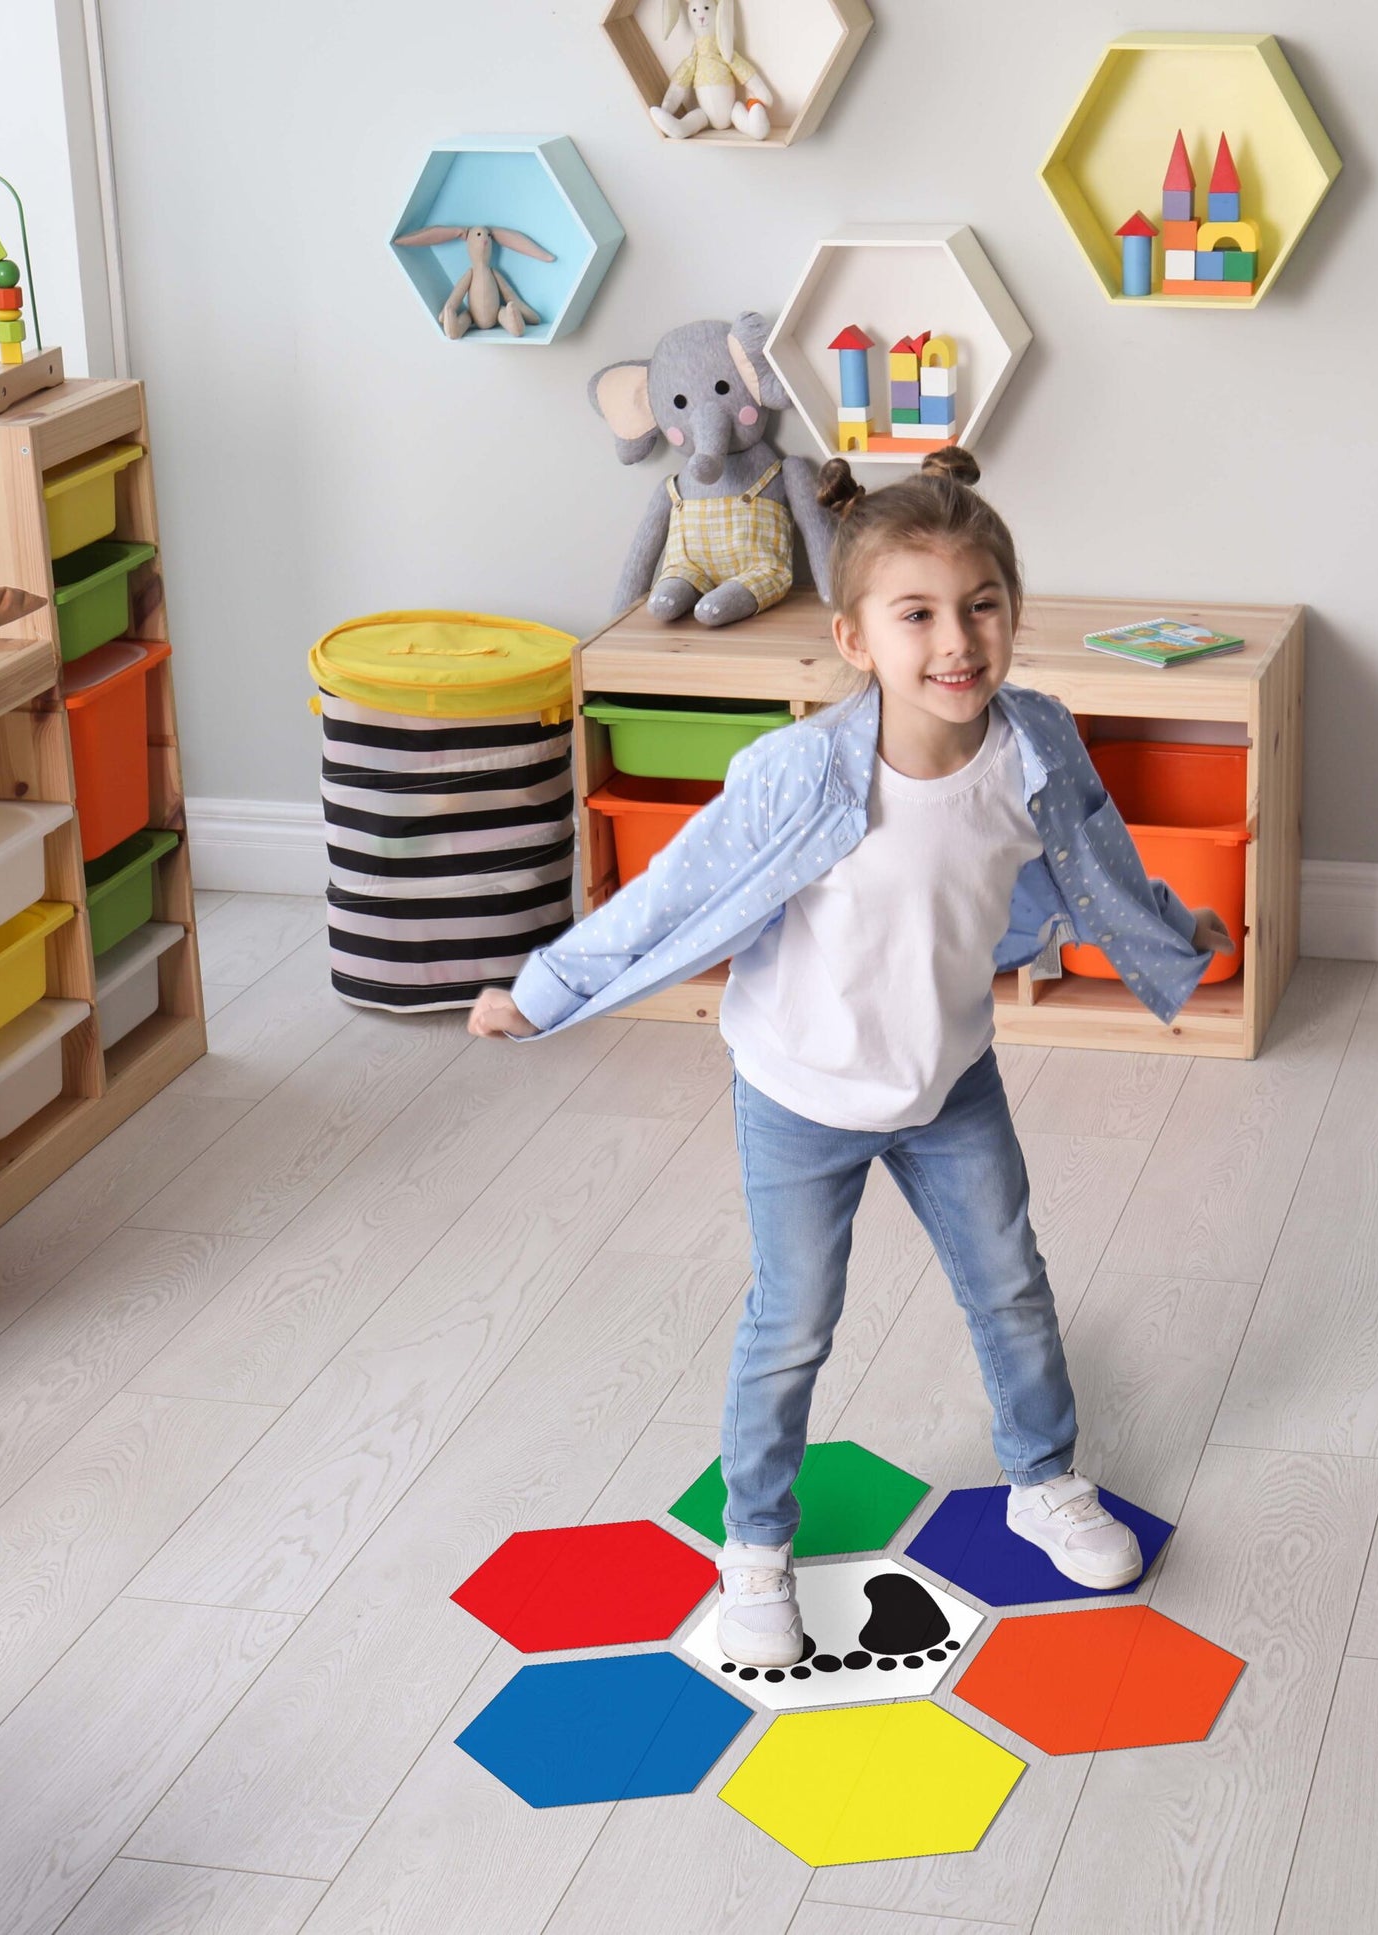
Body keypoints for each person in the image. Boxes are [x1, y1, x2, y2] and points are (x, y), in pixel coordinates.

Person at [470, 449, 1235, 1666]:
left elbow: (1097, 866)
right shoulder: (800, 774)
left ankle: (1040, 1480)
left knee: (1010, 1288)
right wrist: (540, 987)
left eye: (982, 606)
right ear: (853, 636)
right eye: (916, 613)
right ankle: (756, 1550)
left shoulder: (1030, 744)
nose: (956, 640)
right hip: (799, 1094)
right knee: (792, 1321)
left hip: (946, 1082)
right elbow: (673, 891)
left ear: (1011, 618)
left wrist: (1172, 933)